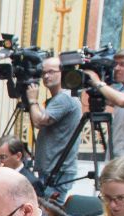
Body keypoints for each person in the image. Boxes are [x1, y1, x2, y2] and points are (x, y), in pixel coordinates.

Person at [30, 57, 81, 200]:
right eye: (43, 72)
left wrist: (32, 100)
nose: (46, 76)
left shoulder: (65, 97)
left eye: (51, 72)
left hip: (57, 169)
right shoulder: (59, 97)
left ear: (63, 73)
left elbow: (39, 121)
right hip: (52, 167)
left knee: (51, 213)